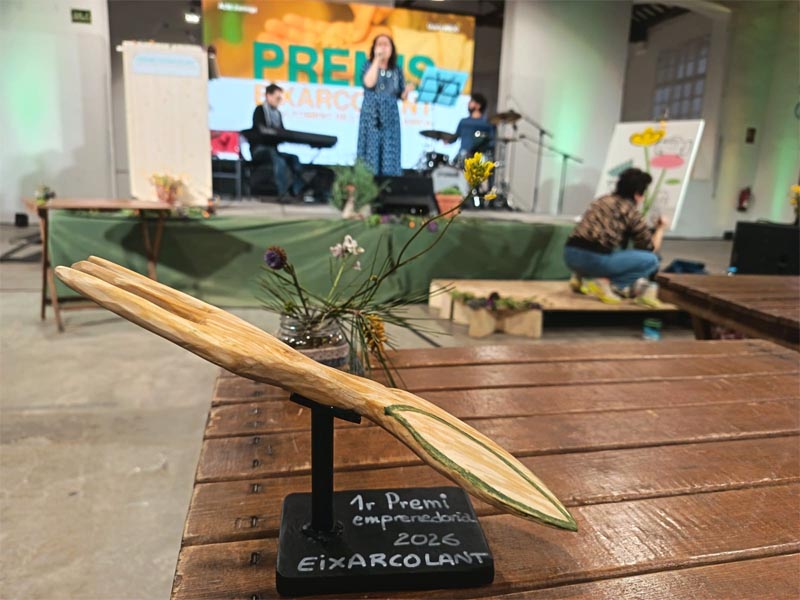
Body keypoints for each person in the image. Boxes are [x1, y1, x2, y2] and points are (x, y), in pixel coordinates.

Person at [563, 168, 668, 307]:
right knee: (652, 260)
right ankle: (610, 284)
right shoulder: (631, 211)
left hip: (570, 256)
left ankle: (579, 277)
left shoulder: (602, 200)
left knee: (608, 248)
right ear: (637, 194)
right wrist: (660, 229)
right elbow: (650, 248)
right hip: (595, 261)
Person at [357, 34, 414, 176]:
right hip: (372, 115)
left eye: (386, 44)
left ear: (392, 49)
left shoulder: (396, 70)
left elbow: (400, 94)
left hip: (390, 116)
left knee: (390, 150)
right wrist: (377, 59)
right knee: (371, 149)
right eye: (379, 44)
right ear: (374, 48)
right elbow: (368, 83)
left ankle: (390, 182)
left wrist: (407, 91)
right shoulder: (368, 65)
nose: (383, 47)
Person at [251, 83, 305, 198]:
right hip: (260, 149)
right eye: (277, 97)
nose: (279, 100)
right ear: (268, 96)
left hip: (274, 150)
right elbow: (261, 130)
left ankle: (296, 191)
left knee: (294, 159)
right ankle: (282, 192)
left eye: (280, 98)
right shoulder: (260, 110)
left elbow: (282, 133)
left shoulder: (278, 114)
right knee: (278, 159)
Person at [449, 92, 495, 160]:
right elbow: (454, 137)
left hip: (480, 157)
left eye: (471, 101)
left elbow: (492, 141)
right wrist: (443, 137)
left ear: (478, 105)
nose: (468, 103)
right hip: (462, 156)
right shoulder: (463, 122)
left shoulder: (487, 123)